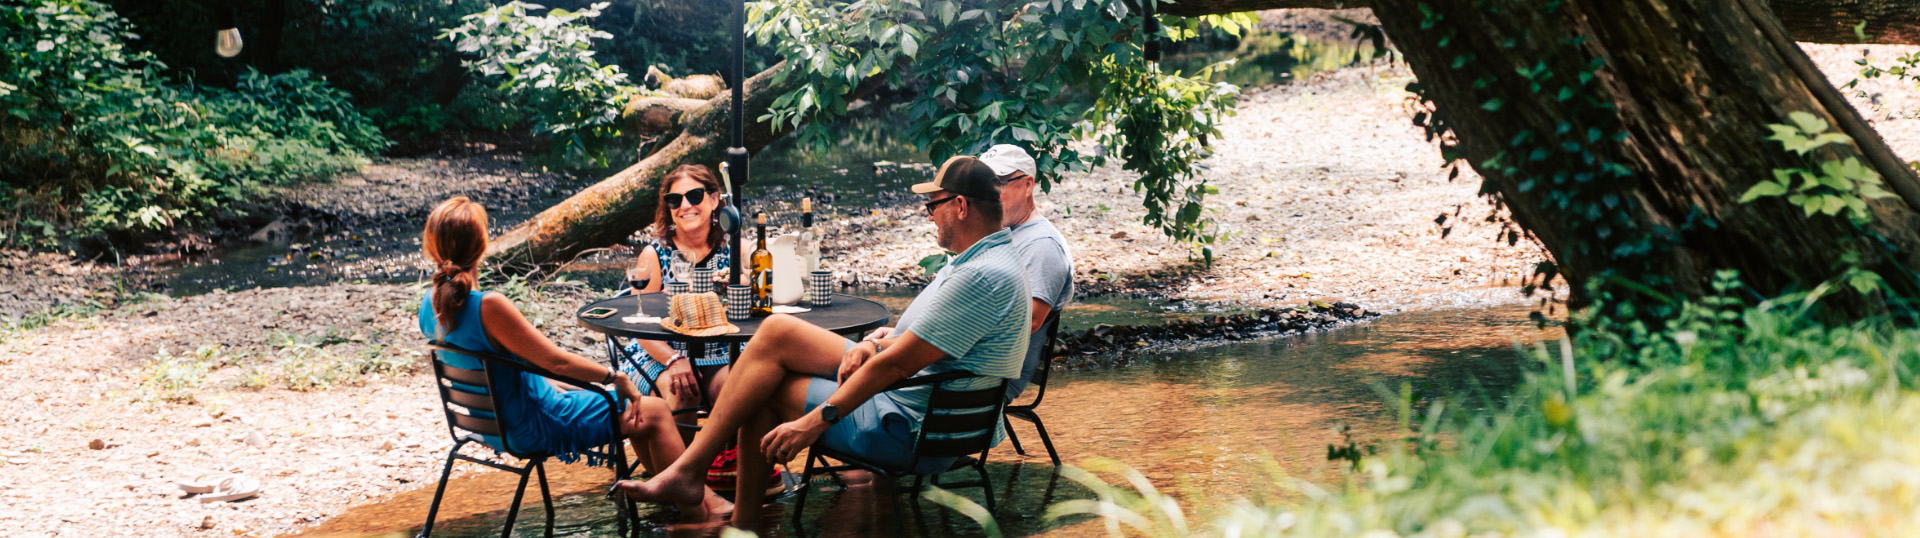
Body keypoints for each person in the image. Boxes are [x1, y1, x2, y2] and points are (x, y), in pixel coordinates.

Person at [615, 156, 1032, 529]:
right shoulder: (985, 261)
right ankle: (724, 508)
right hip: (928, 412)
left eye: (932, 206)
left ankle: (712, 496)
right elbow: (916, 343)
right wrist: (875, 342)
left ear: (960, 206)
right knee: (770, 352)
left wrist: (812, 423)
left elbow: (896, 368)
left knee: (765, 373)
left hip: (914, 428)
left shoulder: (980, 275)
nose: (929, 217)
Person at [416, 196, 730, 520]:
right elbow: (557, 362)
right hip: (532, 424)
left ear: (433, 245)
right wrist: (616, 377)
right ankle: (698, 517)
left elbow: (518, 368)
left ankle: (680, 501)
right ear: (482, 244)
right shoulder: (489, 305)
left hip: (487, 425)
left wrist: (569, 386)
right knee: (653, 410)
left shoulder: (431, 305)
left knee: (640, 413)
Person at [864, 144, 1074, 402]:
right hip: (946, 366)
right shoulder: (998, 236)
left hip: (974, 381)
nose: (991, 192)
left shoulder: (1042, 244)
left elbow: (1023, 323)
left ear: (1028, 185)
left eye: (1000, 183)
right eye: (987, 183)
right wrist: (904, 336)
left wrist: (903, 344)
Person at [625, 164, 733, 416]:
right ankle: (680, 458)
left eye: (694, 196)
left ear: (715, 199)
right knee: (683, 392)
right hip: (659, 353)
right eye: (674, 200)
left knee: (738, 390)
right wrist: (673, 359)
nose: (685, 206)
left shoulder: (734, 249)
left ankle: (729, 457)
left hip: (720, 353)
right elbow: (639, 324)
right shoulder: (654, 254)